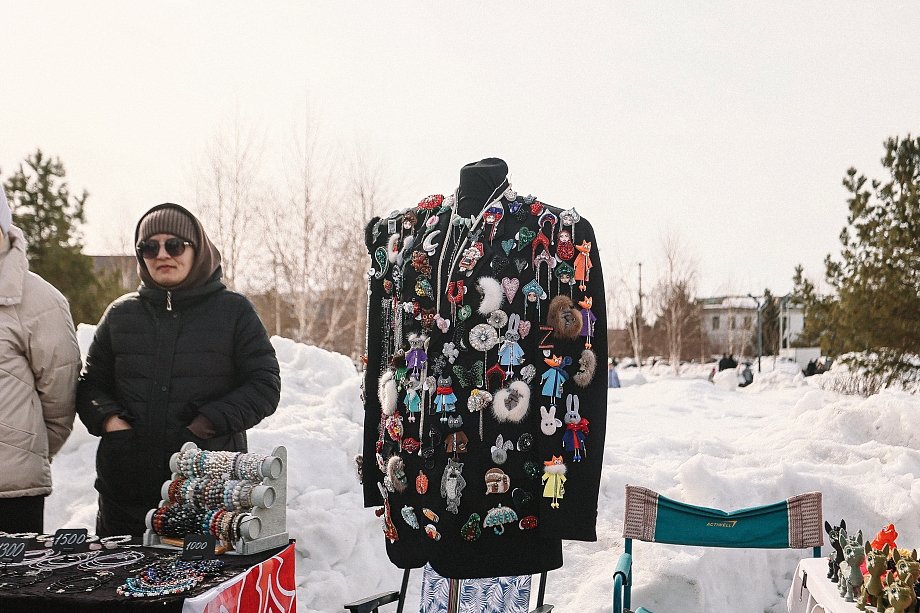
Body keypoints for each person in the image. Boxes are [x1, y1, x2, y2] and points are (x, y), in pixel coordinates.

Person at [77, 203, 281, 536]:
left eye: (174, 245)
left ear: (196, 249)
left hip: (206, 491)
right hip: (125, 494)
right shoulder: (120, 315)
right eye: (149, 247)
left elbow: (264, 385)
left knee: (202, 586)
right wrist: (111, 423)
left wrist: (208, 423)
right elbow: (91, 387)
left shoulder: (234, 311)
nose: (162, 254)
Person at [0, 187, 81, 532]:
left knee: (15, 587)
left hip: (11, 491)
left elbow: (60, 400)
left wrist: (25, 452)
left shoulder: (40, 301)